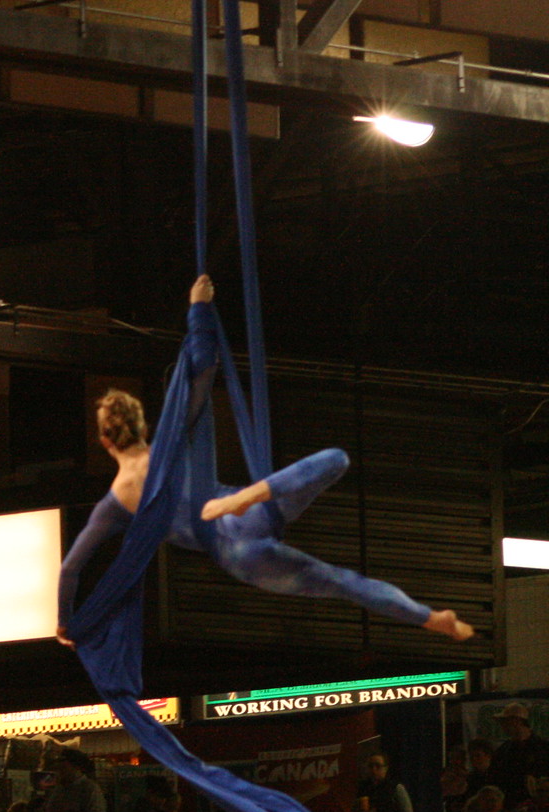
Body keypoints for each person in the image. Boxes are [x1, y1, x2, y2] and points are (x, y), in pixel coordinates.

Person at [58, 276, 472, 649]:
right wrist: (198, 309)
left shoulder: (113, 505)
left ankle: (430, 619)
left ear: (103, 440)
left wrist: (68, 624)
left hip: (235, 552)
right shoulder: (171, 441)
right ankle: (252, 495)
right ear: (144, 426)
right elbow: (203, 370)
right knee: (335, 459)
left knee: (341, 583)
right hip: (251, 509)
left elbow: (72, 568)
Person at [489, 703, 549, 803]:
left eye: (504, 722)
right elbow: (494, 779)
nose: (502, 726)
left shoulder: (544, 748)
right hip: (511, 806)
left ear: (516, 721)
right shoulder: (503, 751)